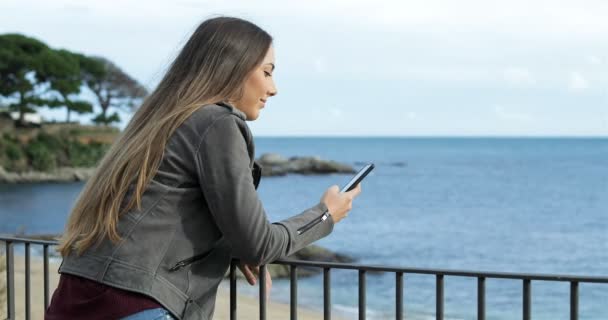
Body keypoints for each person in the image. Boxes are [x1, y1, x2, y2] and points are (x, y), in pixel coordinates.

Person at [45, 16, 362, 320]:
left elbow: (165, 208)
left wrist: (229, 247)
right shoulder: (217, 123)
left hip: (76, 296)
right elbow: (260, 243)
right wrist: (325, 215)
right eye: (267, 72)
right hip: (138, 304)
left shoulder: (159, 121)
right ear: (233, 69)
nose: (273, 88)